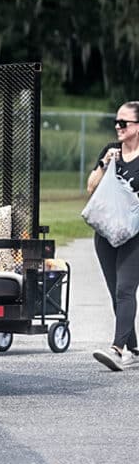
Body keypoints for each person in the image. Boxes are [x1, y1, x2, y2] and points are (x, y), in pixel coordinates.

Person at [88, 101, 139, 371]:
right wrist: (105, 165)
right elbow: (90, 187)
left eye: (124, 123)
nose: (118, 127)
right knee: (115, 291)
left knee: (124, 289)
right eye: (117, 122)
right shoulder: (111, 151)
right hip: (106, 233)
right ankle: (134, 348)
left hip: (135, 235)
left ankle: (118, 350)